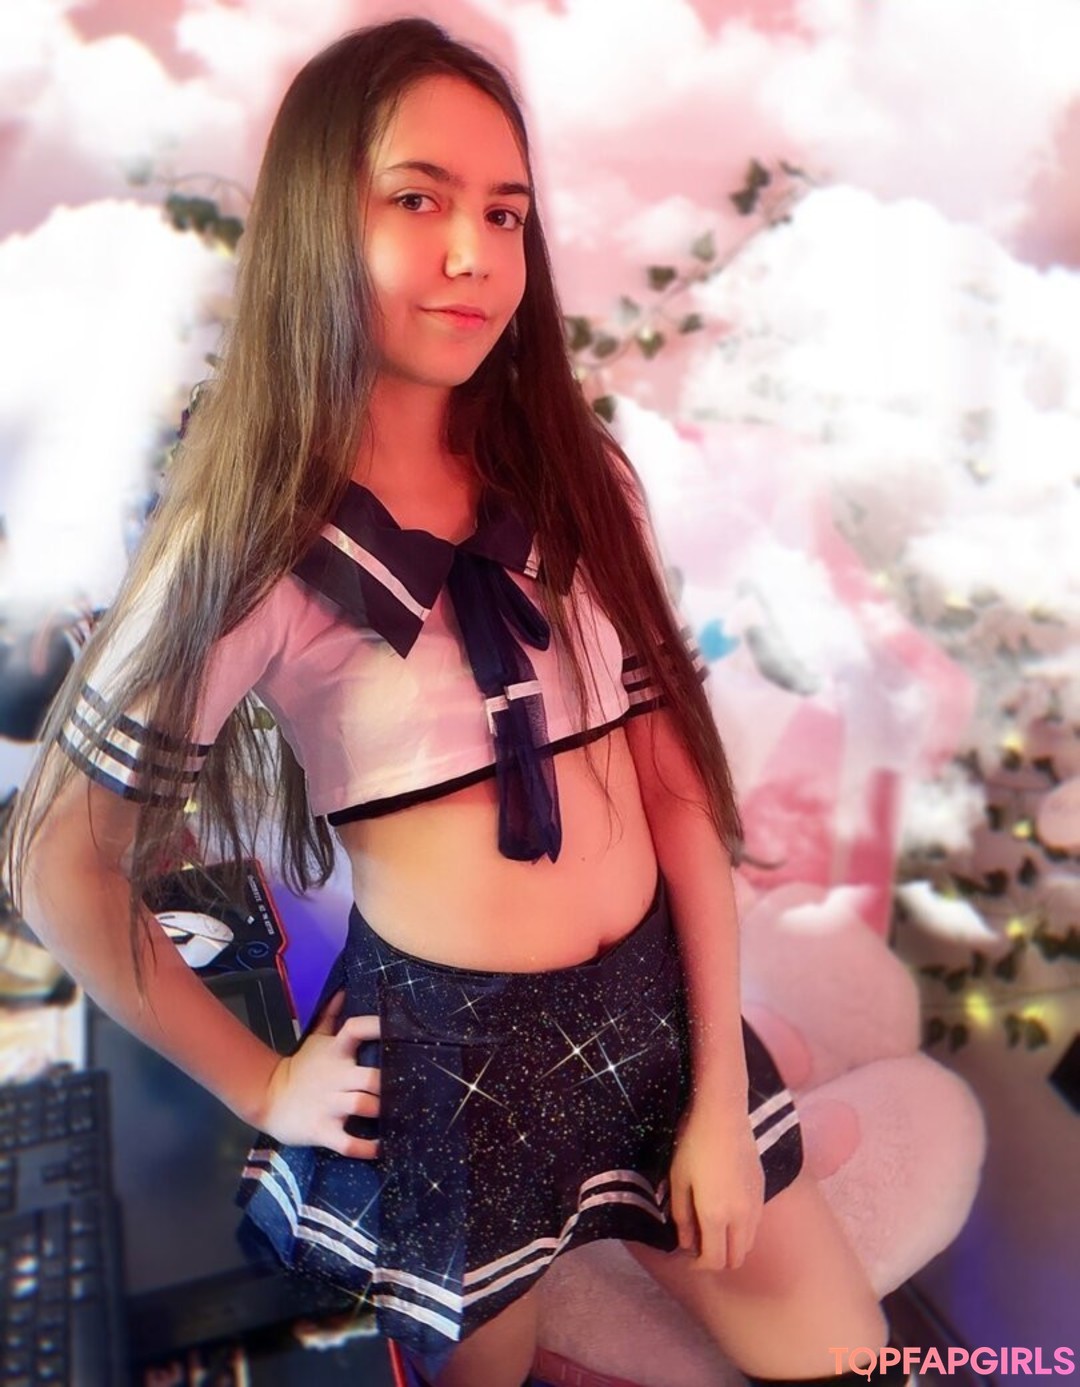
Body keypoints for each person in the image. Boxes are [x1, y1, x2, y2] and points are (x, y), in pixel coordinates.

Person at [7, 19, 909, 1387]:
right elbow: (61, 864)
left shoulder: (578, 475)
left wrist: (722, 1096)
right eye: (418, 200)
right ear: (320, 221)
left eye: (504, 213)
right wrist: (265, 1085)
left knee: (855, 1358)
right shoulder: (251, 543)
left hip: (657, 1019)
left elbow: (674, 788)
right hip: (449, 1077)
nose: (474, 254)